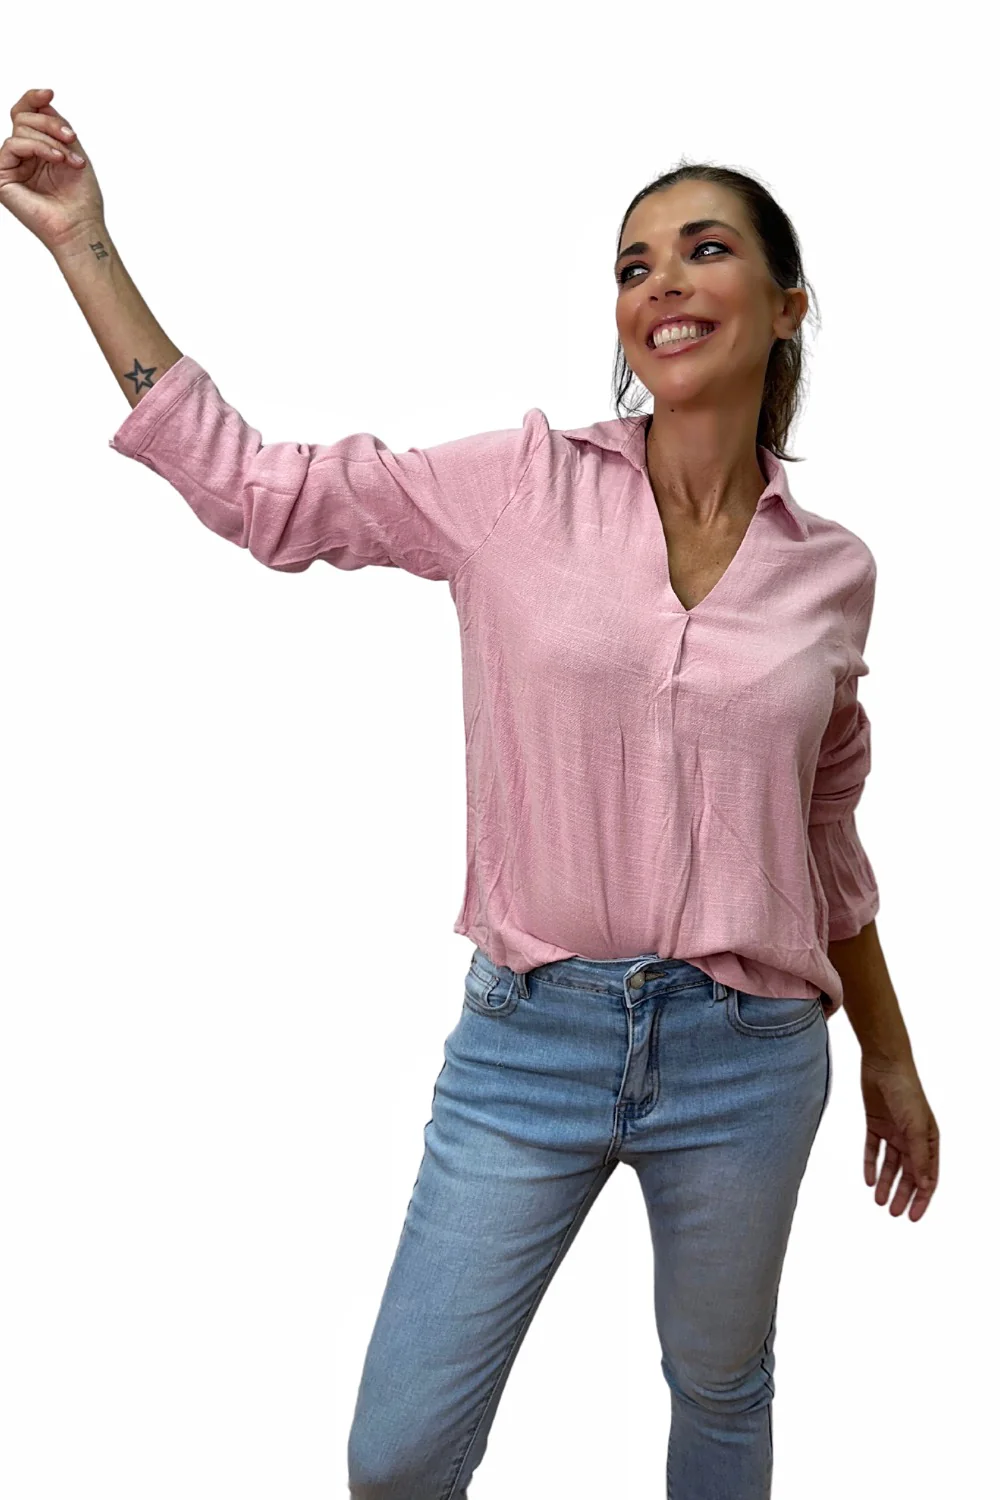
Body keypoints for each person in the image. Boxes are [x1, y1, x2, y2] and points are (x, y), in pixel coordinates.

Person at [2, 88, 940, 1500]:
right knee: (397, 1457)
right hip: (530, 1043)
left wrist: (890, 1054)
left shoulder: (834, 571)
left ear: (789, 304)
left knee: (719, 1389)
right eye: (633, 265)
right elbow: (266, 494)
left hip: (749, 1058)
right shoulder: (520, 487)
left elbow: (825, 837)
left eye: (705, 250)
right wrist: (83, 243)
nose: (664, 284)